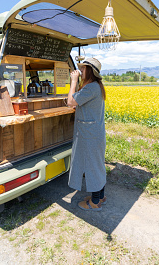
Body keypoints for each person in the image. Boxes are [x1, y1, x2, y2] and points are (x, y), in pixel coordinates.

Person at [67, 57, 107, 211]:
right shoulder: (95, 86)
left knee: (93, 167)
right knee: (97, 165)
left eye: (83, 69)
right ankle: (100, 196)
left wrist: (73, 81)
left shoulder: (91, 88)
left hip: (90, 135)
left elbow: (71, 102)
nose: (80, 71)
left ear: (90, 71)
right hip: (93, 134)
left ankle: (95, 202)